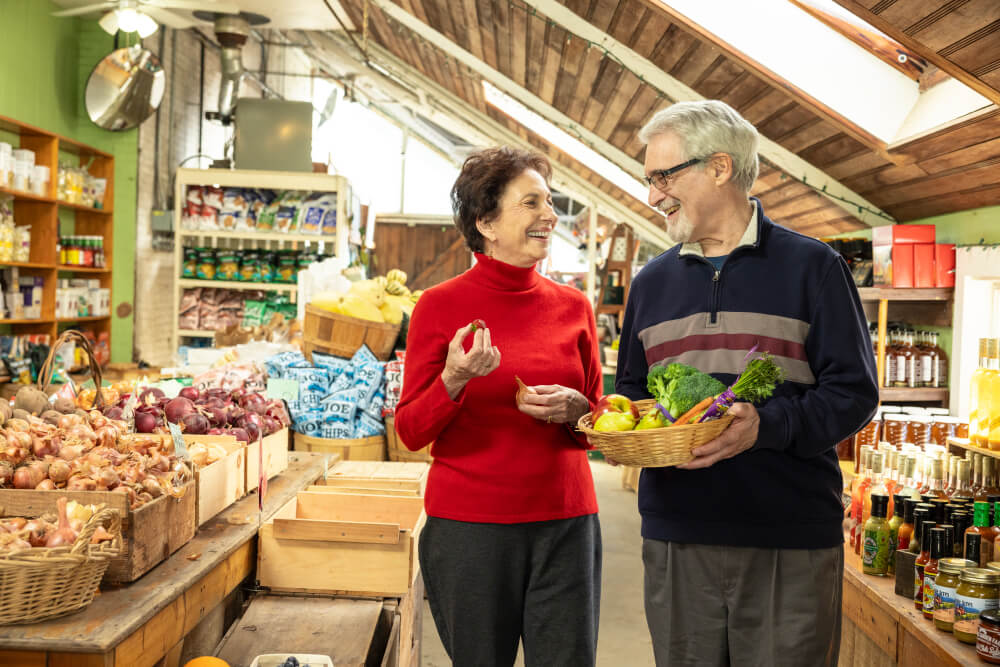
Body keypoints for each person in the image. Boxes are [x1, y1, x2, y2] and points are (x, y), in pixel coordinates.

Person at [615, 100, 879, 666]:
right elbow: (634, 396)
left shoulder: (814, 268)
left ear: (719, 167)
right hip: (677, 534)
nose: (652, 195)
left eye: (663, 176)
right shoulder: (651, 283)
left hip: (789, 534)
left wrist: (767, 426)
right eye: (648, 179)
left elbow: (854, 392)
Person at [394, 146, 603, 667]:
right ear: (486, 221)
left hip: (566, 523)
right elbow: (411, 431)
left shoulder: (574, 307)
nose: (549, 216)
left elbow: (602, 423)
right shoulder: (438, 306)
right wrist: (453, 380)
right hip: (471, 530)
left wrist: (580, 408)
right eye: (530, 203)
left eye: (549, 202)